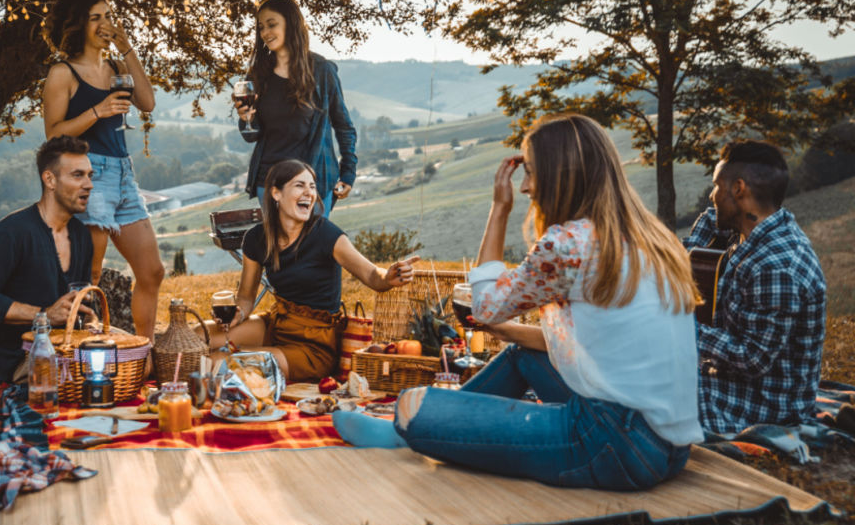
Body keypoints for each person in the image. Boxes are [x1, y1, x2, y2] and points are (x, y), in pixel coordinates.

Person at [334, 114, 702, 491]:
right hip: (667, 447)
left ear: (560, 175)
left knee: (413, 406)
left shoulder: (569, 243)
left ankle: (410, 430)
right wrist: (507, 332)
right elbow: (592, 343)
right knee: (522, 355)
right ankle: (430, 426)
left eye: (531, 172)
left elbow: (486, 306)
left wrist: (499, 210)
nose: (525, 187)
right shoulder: (652, 240)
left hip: (611, 444)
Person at [200, 160, 417, 382]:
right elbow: (246, 296)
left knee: (219, 362)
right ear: (276, 193)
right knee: (196, 338)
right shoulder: (256, 238)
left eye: (312, 186)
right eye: (299, 186)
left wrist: (388, 277)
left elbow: (372, 276)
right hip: (277, 325)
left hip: (314, 345)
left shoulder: (327, 235)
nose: (309, 193)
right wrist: (240, 313)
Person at [41, 0, 163, 340]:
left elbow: (148, 102)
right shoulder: (63, 73)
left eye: (108, 15)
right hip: (88, 175)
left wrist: (126, 46)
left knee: (152, 271)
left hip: (124, 173)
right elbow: (53, 136)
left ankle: (144, 350)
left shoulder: (115, 65)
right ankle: (80, 354)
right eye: (96, 17)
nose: (105, 23)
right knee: (88, 277)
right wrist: (98, 111)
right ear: (78, 24)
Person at [682, 140, 826, 434]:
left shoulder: (776, 267)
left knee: (640, 394)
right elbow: (694, 246)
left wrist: (678, 327)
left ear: (738, 189)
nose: (712, 196)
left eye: (716, 187)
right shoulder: (746, 228)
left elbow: (751, 360)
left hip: (764, 405)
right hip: (724, 377)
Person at [0, 135, 97, 385]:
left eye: (90, 175)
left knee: (143, 358)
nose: (88, 184)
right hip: (28, 361)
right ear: (50, 180)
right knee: (100, 376)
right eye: (78, 175)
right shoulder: (11, 233)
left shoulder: (81, 235)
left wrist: (92, 321)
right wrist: (44, 315)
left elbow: (81, 302)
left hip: (72, 349)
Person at [234, 0, 357, 217]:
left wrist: (348, 174)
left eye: (272, 24)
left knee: (314, 249)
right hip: (271, 183)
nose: (265, 32)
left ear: (290, 24)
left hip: (314, 180)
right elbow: (252, 136)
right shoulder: (257, 75)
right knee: (281, 251)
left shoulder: (322, 71)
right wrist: (245, 120)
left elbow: (344, 126)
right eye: (261, 27)